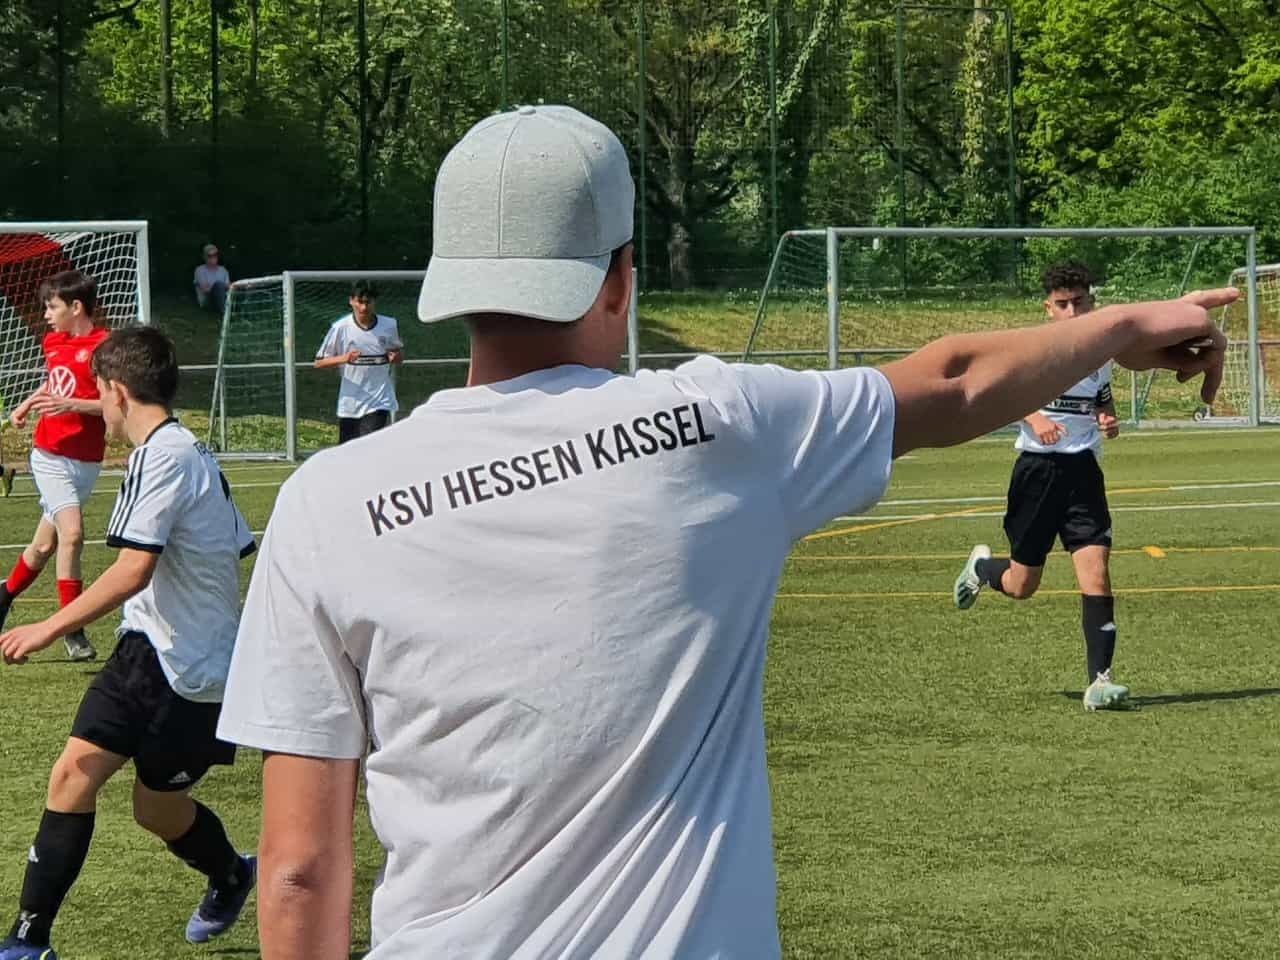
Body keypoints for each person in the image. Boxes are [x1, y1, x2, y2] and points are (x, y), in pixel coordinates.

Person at [216, 105, 1232, 960]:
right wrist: (1125, 326)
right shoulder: (715, 426)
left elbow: (300, 869)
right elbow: (955, 380)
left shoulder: (324, 500)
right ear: (620, 277)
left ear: (450, 283)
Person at [0, 327, 258, 960]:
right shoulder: (185, 449)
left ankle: (231, 873)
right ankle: (28, 942)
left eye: (98, 394)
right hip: (144, 650)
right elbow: (237, 545)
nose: (99, 408)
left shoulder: (164, 456)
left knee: (156, 810)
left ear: (116, 391)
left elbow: (133, 569)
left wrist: (47, 627)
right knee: (72, 775)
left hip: (193, 669)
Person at [953, 262, 1129, 711]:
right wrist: (1035, 418)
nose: (1072, 312)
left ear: (1092, 302)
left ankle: (1100, 682)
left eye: (1079, 302)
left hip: (1083, 473)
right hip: (1037, 472)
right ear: (1048, 309)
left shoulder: (1102, 353)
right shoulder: (1033, 351)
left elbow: (1101, 398)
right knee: (1022, 584)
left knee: (1097, 572)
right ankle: (983, 569)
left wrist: (1107, 418)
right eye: (1062, 304)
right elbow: (1003, 394)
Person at [0, 270, 110, 662]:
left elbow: (113, 405)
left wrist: (72, 405)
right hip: (49, 455)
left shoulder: (105, 347)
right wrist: (28, 404)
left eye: (52, 307)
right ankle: (72, 629)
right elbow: (55, 384)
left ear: (75, 307)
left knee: (44, 546)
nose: (46, 314)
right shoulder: (53, 342)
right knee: (73, 534)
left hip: (87, 461)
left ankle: (4, 595)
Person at [313, 279, 403, 443]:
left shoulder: (389, 325)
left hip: (379, 401)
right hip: (350, 403)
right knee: (348, 451)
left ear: (375, 302)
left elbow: (398, 355)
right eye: (360, 302)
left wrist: (396, 357)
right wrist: (344, 358)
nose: (363, 307)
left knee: (368, 446)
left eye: (368, 302)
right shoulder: (340, 328)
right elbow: (319, 362)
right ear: (351, 301)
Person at [194, 244, 229, 315]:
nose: (213, 257)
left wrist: (221, 287)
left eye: (215, 255)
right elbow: (205, 290)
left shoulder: (223, 270)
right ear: (204, 257)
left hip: (223, 297)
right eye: (210, 256)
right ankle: (225, 313)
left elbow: (229, 287)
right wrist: (221, 287)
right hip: (207, 301)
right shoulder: (199, 270)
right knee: (219, 285)